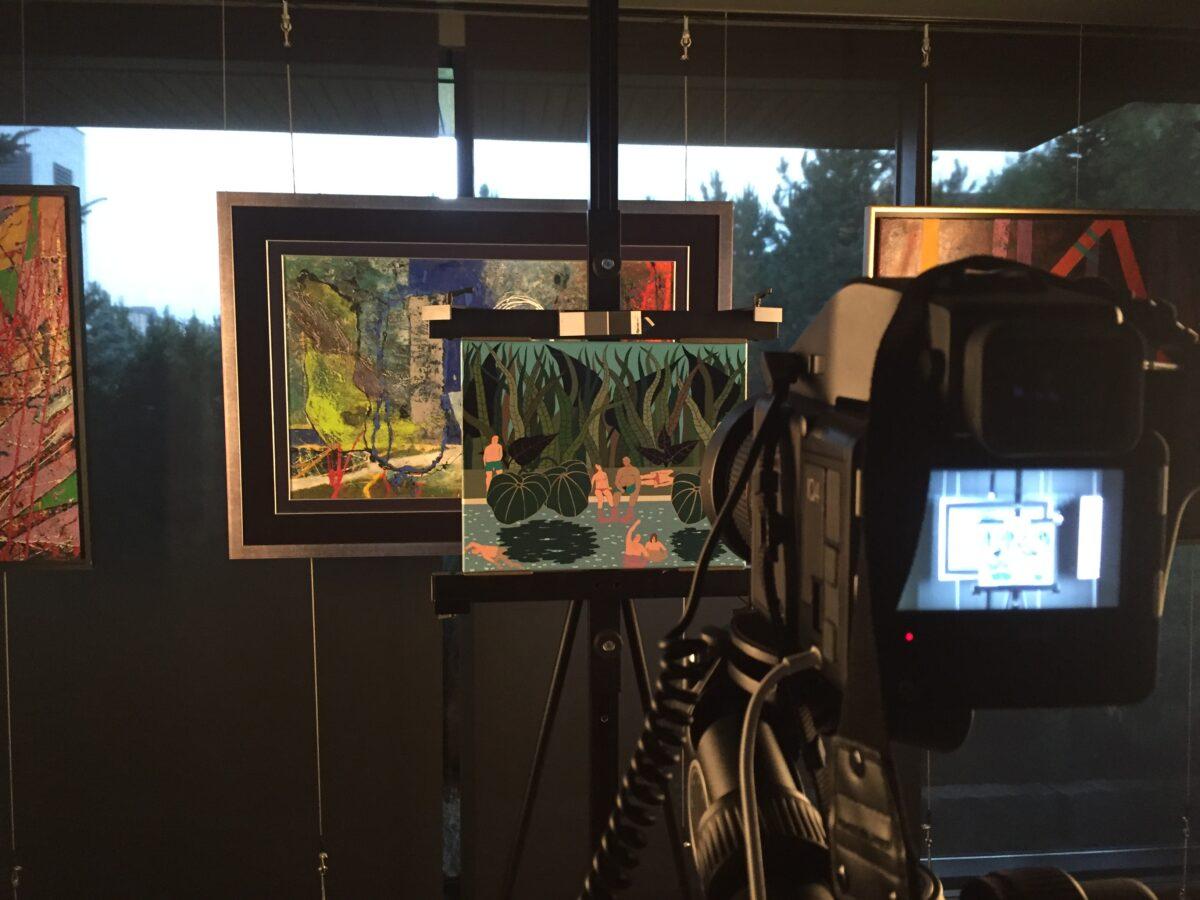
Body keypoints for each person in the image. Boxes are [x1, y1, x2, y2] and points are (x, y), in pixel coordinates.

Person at [614, 456, 641, 522]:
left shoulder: (635, 470)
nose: (625, 462)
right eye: (624, 461)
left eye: (627, 461)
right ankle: (614, 514)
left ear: (629, 461)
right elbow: (616, 482)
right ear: (623, 462)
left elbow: (638, 482)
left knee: (634, 493)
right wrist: (620, 489)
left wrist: (637, 490)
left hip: (631, 486)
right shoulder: (620, 470)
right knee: (616, 494)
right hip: (622, 486)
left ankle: (629, 514)